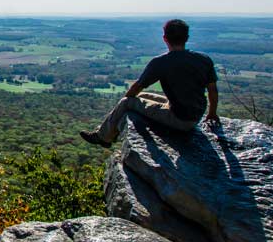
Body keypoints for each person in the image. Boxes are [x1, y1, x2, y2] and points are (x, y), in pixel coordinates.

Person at [81, 19, 218, 148]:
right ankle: (107, 133)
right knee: (145, 95)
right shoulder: (204, 59)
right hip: (196, 115)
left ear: (165, 39)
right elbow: (212, 90)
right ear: (187, 38)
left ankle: (103, 137)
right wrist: (211, 114)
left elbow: (137, 87)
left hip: (180, 119)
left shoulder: (161, 62)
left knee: (126, 102)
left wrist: (128, 100)